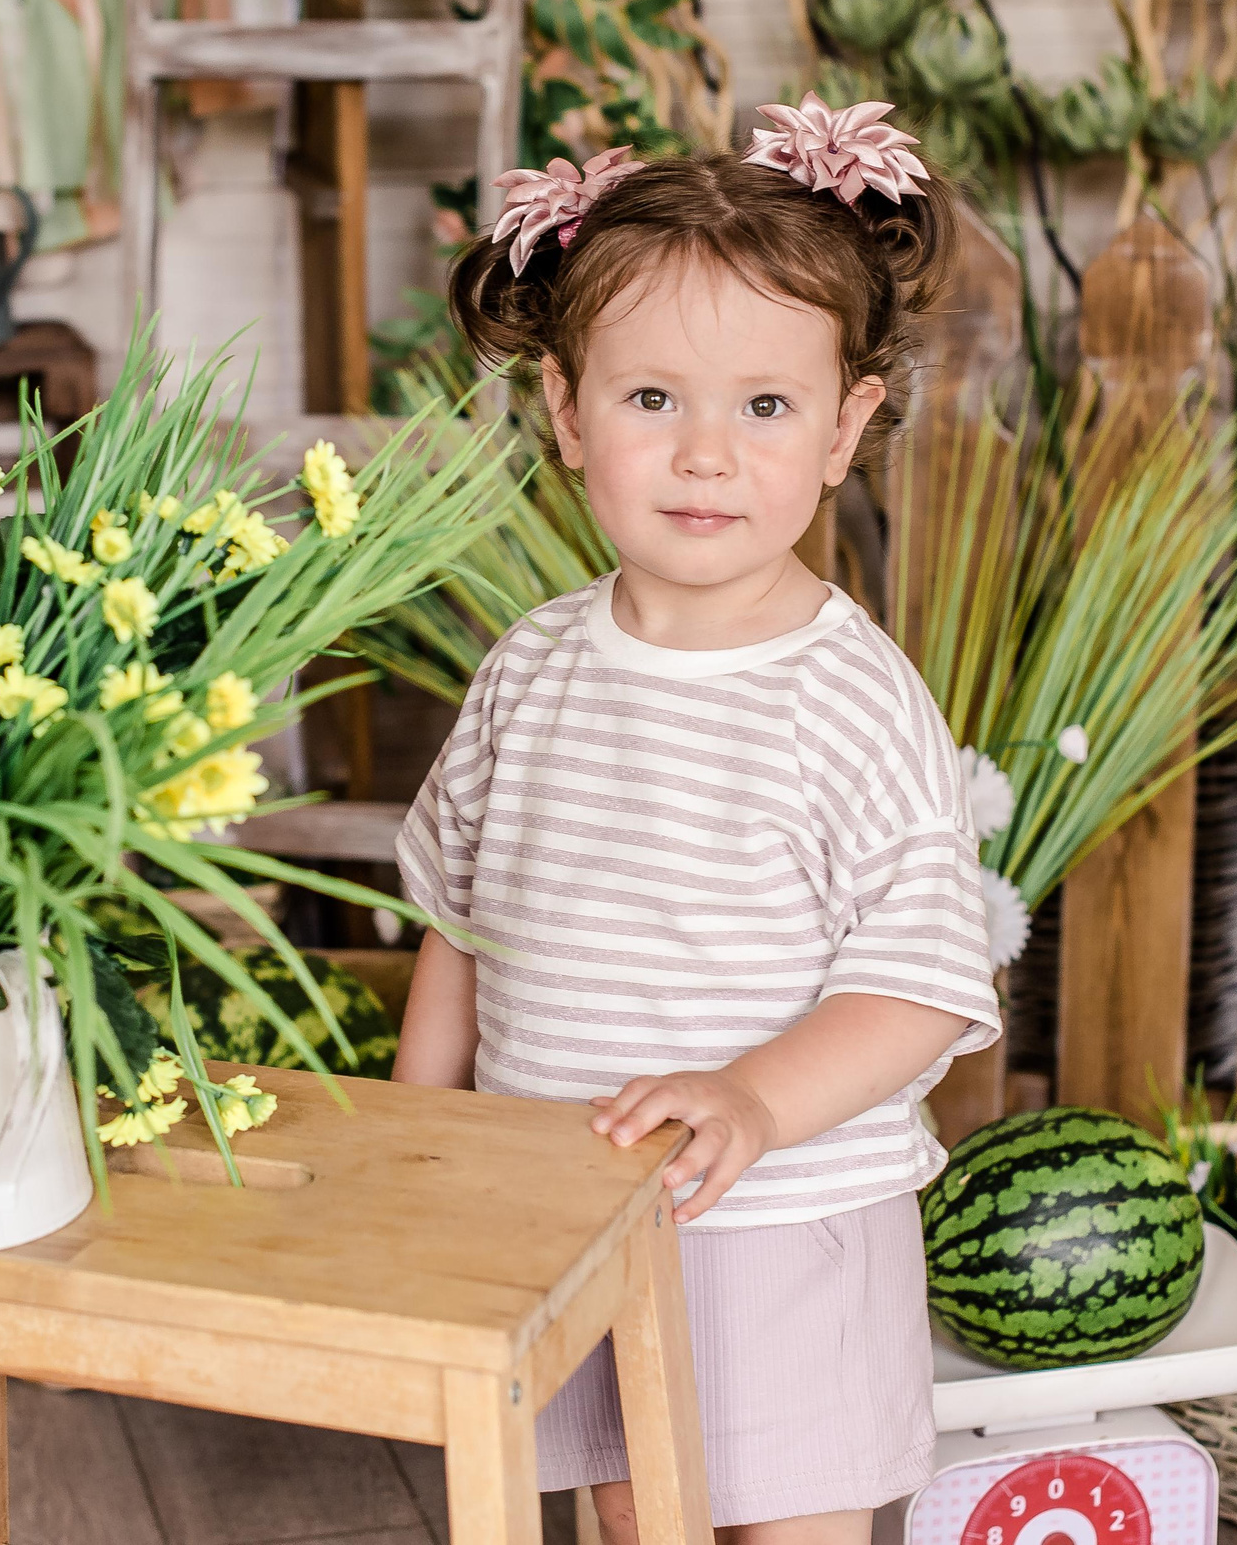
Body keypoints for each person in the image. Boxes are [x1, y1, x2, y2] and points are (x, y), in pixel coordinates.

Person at [391, 95, 1001, 1545]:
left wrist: (752, 1098)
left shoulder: (850, 699)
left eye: (765, 406)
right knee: (631, 1515)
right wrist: (418, 1153)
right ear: (565, 412)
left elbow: (919, 984)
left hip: (782, 1229)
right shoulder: (532, 668)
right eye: (653, 398)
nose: (706, 453)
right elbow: (458, 927)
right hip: (575, 1222)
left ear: (846, 426)